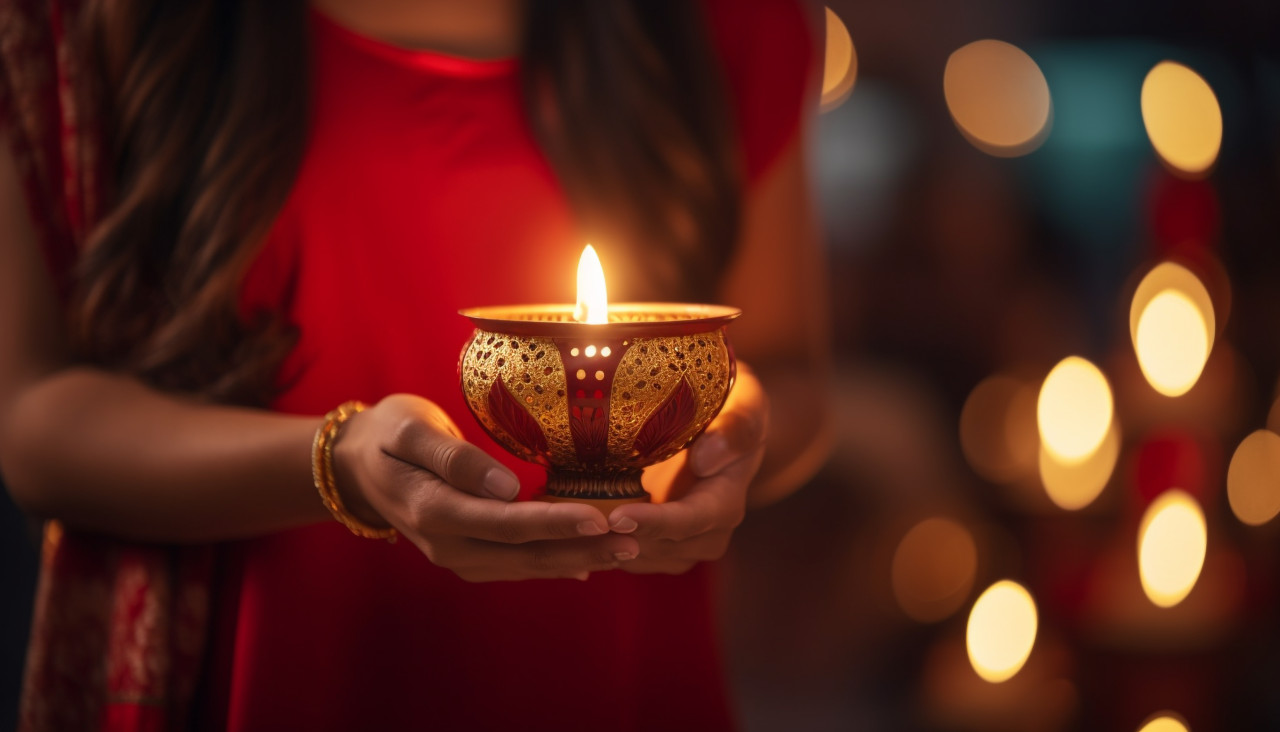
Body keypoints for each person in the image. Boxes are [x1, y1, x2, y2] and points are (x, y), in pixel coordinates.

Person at [0, 0, 831, 729]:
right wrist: (341, 463)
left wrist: (723, 437)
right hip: (280, 674)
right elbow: (33, 421)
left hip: (621, 673)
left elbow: (789, 373)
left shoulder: (724, 20)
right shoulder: (99, 24)